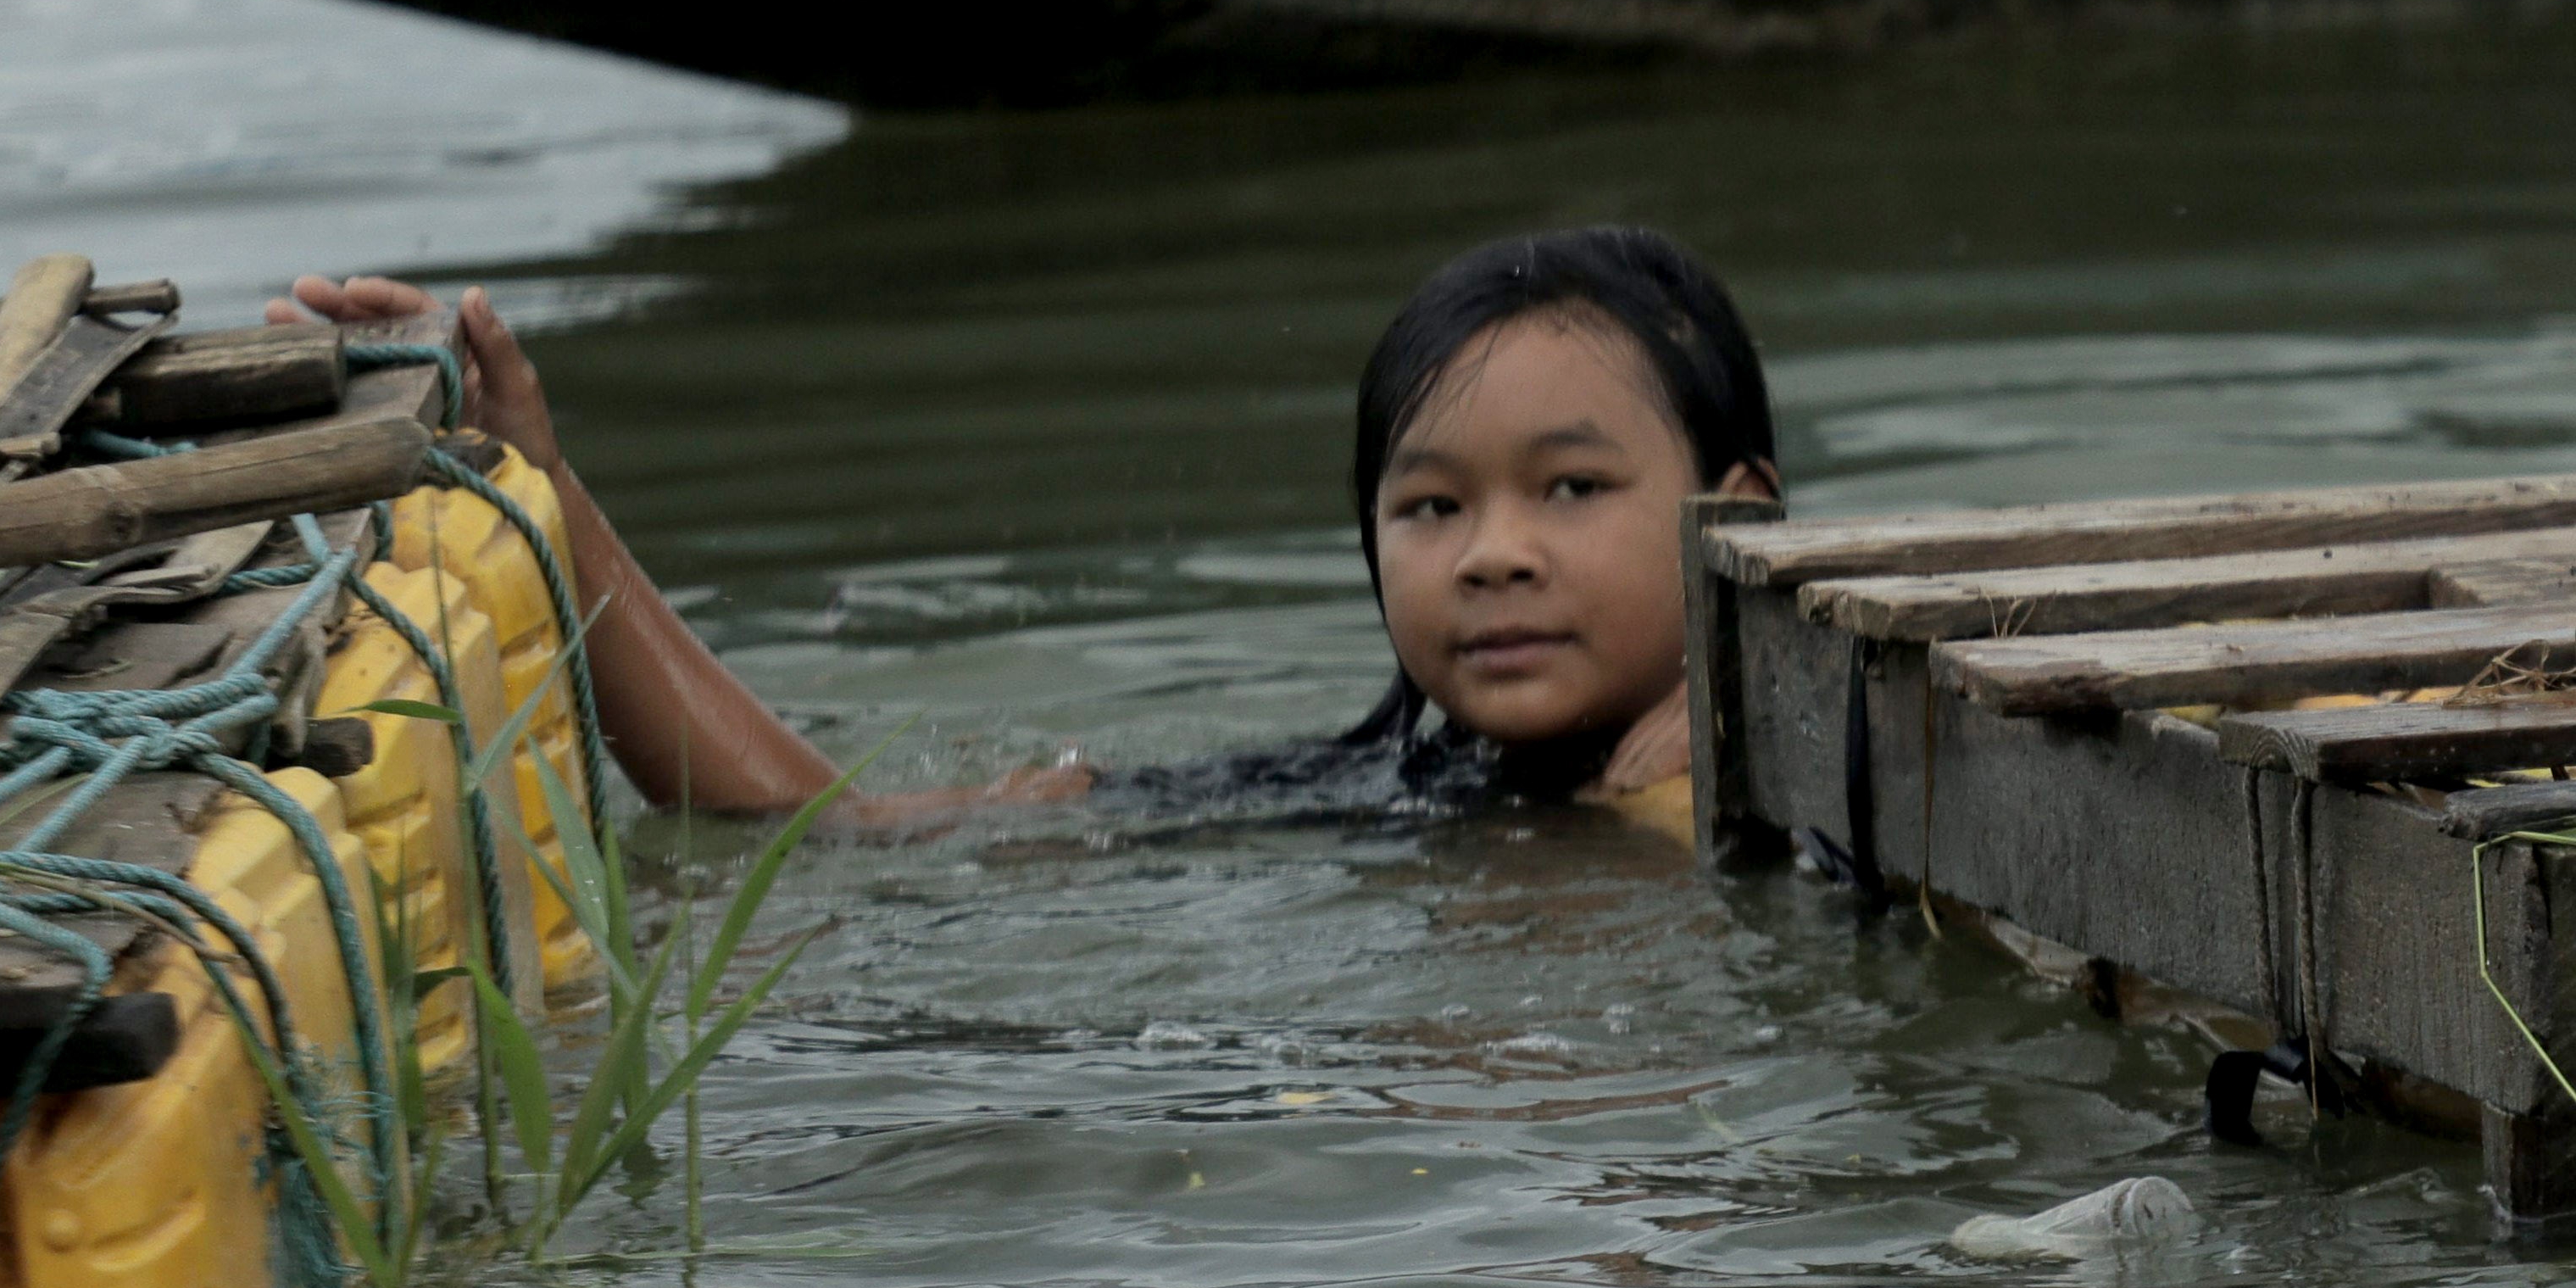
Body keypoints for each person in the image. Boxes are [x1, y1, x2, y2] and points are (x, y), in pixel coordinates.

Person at [273, 226, 1780, 835]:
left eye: (1569, 491)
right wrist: (541, 490)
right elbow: (819, 835)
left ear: (1735, 523)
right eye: (1430, 506)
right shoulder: (1372, 789)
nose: (1491, 552)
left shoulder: (1787, 803)